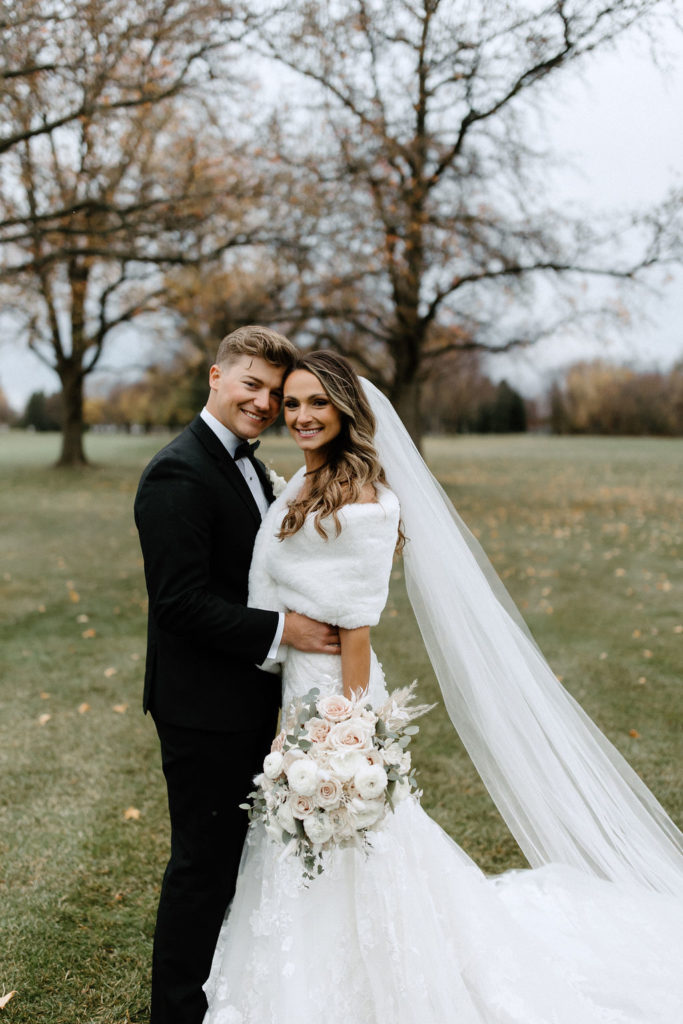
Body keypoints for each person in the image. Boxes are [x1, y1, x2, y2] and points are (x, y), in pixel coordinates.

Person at [202, 350, 683, 1024]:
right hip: (293, 694)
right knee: (304, 847)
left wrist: (344, 739)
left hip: (335, 702)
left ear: (345, 411)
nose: (302, 415)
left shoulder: (365, 505)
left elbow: (357, 632)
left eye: (318, 403)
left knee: (356, 836)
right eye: (292, 403)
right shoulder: (300, 486)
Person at [134, 327, 341, 1024]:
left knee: (240, 865)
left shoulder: (247, 465)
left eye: (274, 394)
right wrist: (289, 632)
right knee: (202, 867)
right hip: (201, 708)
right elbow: (180, 604)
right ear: (216, 377)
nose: (262, 402)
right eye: (250, 385)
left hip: (249, 695)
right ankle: (175, 1012)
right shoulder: (178, 472)